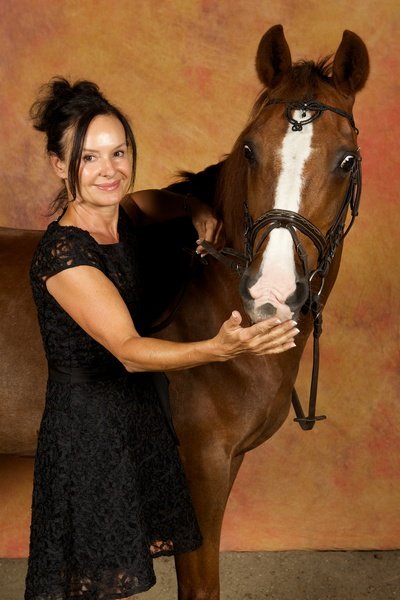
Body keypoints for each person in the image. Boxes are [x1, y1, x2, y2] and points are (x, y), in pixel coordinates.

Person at [25, 77, 299, 600]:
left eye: (118, 152)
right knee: (88, 584)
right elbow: (128, 352)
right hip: (89, 432)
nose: (109, 170)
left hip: (130, 419)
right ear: (61, 167)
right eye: (89, 158)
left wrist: (194, 207)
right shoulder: (64, 257)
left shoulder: (123, 215)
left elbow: (157, 202)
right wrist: (223, 350)